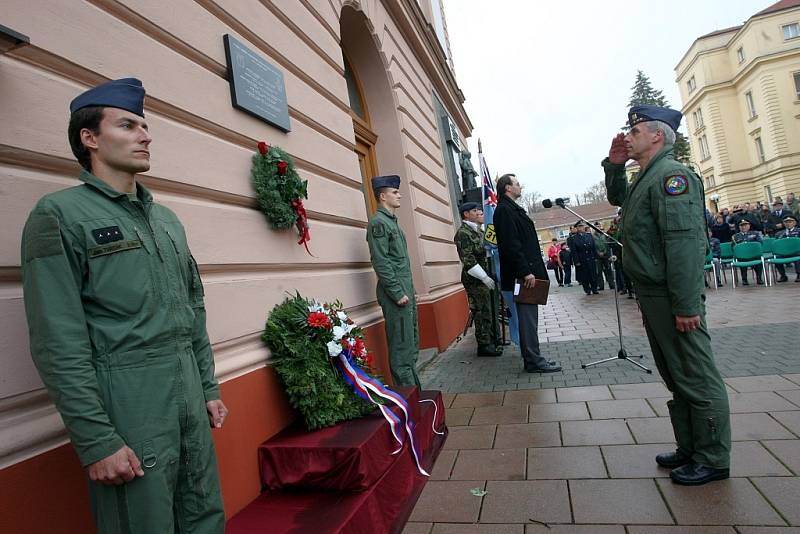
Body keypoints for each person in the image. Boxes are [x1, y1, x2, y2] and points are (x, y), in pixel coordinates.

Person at [20, 78, 227, 533]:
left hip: (188, 394)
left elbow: (192, 311)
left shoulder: (166, 220)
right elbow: (58, 338)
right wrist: (96, 440)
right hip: (129, 403)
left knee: (205, 517)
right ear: (89, 138)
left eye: (145, 126)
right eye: (129, 124)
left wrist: (207, 388)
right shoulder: (58, 216)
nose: (145, 135)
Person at [603, 104, 730, 486]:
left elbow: (684, 245)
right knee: (676, 373)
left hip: (671, 294)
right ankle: (691, 447)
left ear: (659, 135)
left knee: (695, 374)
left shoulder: (673, 176)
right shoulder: (648, 175)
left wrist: (687, 304)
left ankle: (713, 456)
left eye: (636, 129)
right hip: (654, 293)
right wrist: (614, 164)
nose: (629, 134)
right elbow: (617, 199)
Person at [493, 173, 561, 373]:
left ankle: (533, 358)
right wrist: (525, 272)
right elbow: (511, 245)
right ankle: (534, 361)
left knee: (529, 319)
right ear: (507, 187)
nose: (520, 186)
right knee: (528, 320)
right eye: (516, 183)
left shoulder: (511, 209)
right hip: (522, 276)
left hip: (526, 273)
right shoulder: (505, 210)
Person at [366, 174, 421, 387]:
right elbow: (381, 262)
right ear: (382, 196)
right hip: (397, 296)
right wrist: (398, 293)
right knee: (401, 351)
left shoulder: (391, 223)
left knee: (411, 347)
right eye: (395, 192)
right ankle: (409, 403)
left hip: (406, 292)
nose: (400, 195)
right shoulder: (378, 223)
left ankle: (415, 395)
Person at [454, 202, 502, 356]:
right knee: (481, 311)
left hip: (487, 276)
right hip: (475, 279)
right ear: (466, 214)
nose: (480, 212)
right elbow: (468, 260)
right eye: (475, 210)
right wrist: (484, 277)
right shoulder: (463, 233)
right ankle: (484, 344)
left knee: (491, 308)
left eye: (480, 210)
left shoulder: (480, 232)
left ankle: (494, 339)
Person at [731, 219, 765, 285]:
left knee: (758, 258)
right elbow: (733, 247)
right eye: (741, 225)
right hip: (742, 257)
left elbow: (760, 244)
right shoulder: (735, 237)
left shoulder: (755, 234)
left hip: (754, 254)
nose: (744, 227)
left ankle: (759, 278)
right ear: (739, 227)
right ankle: (744, 279)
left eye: (745, 225)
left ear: (749, 225)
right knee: (741, 259)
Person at [571, 221, 599, 295]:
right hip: (582, 259)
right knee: (585, 276)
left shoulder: (589, 236)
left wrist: (596, 257)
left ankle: (594, 288)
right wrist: (576, 261)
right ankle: (587, 289)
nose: (582, 227)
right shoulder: (574, 238)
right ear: (577, 228)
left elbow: (593, 247)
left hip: (591, 258)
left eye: (583, 226)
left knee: (593, 274)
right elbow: (574, 251)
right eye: (580, 226)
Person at [773, 214, 800, 283]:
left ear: (795, 223)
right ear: (783, 223)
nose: (788, 223)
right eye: (786, 222)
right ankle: (783, 275)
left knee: (798, 256)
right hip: (783, 253)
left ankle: (799, 274)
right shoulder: (779, 234)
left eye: (790, 221)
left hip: (796, 252)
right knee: (776, 257)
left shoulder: (799, 231)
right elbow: (777, 245)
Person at [593, 221, 615, 291]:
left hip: (606, 255)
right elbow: (593, 246)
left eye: (599, 226)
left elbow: (607, 244)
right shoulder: (592, 236)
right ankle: (601, 286)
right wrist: (598, 252)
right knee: (599, 271)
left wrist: (605, 252)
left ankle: (611, 284)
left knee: (609, 270)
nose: (598, 227)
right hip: (598, 256)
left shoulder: (604, 235)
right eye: (596, 226)